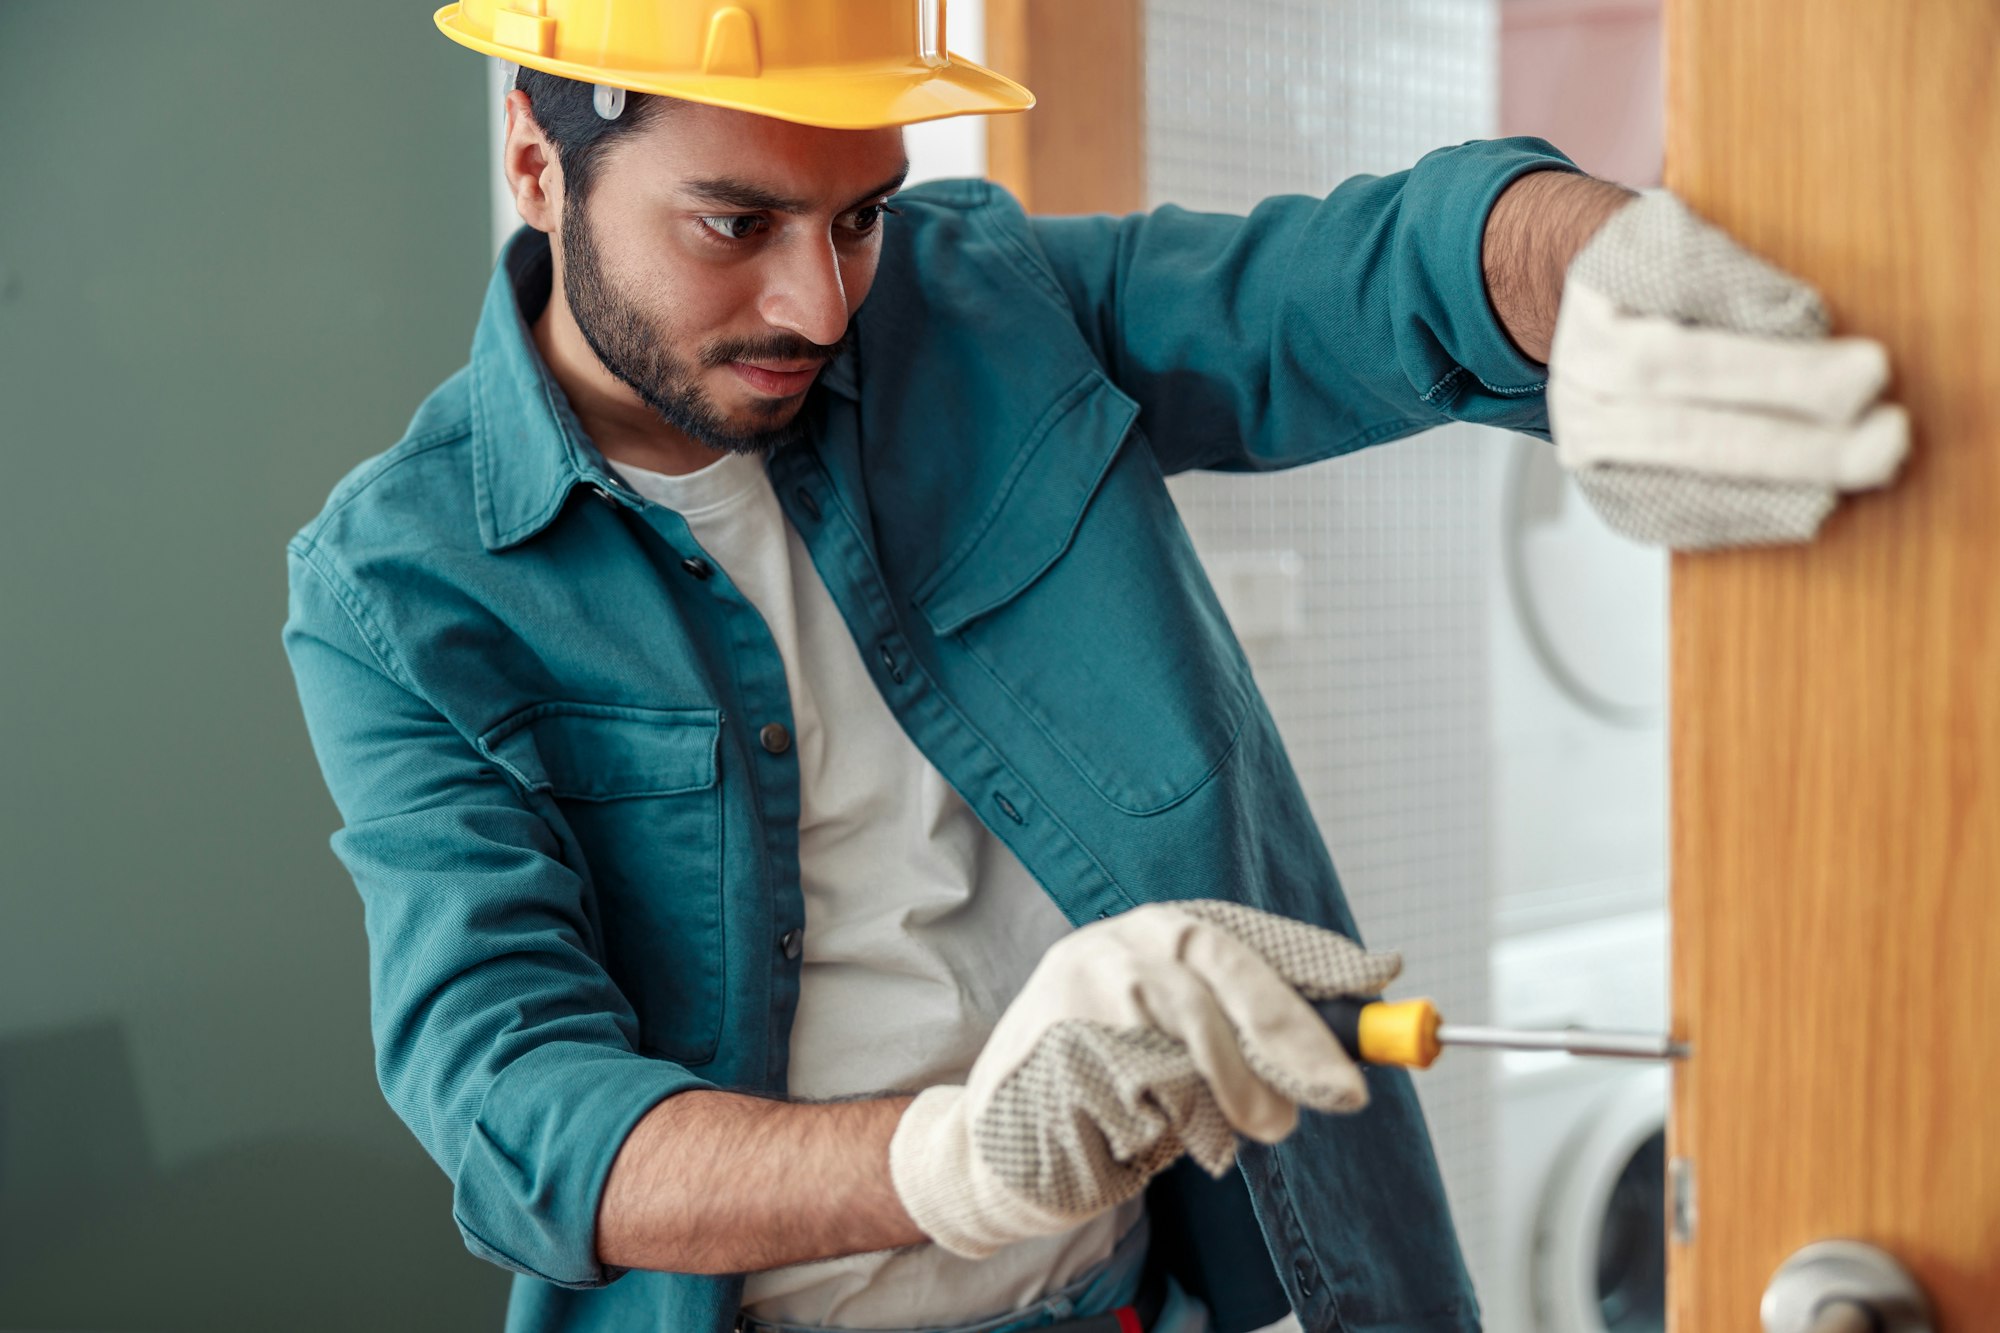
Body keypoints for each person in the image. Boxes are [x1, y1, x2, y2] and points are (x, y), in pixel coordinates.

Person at [281, 4, 1904, 1331]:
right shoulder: (401, 585)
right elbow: (520, 1105)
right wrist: (958, 1157)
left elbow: (1354, 276)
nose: (817, 298)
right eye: (736, 223)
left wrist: (1596, 283)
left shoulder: (979, 300)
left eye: (857, 215)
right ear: (535, 161)